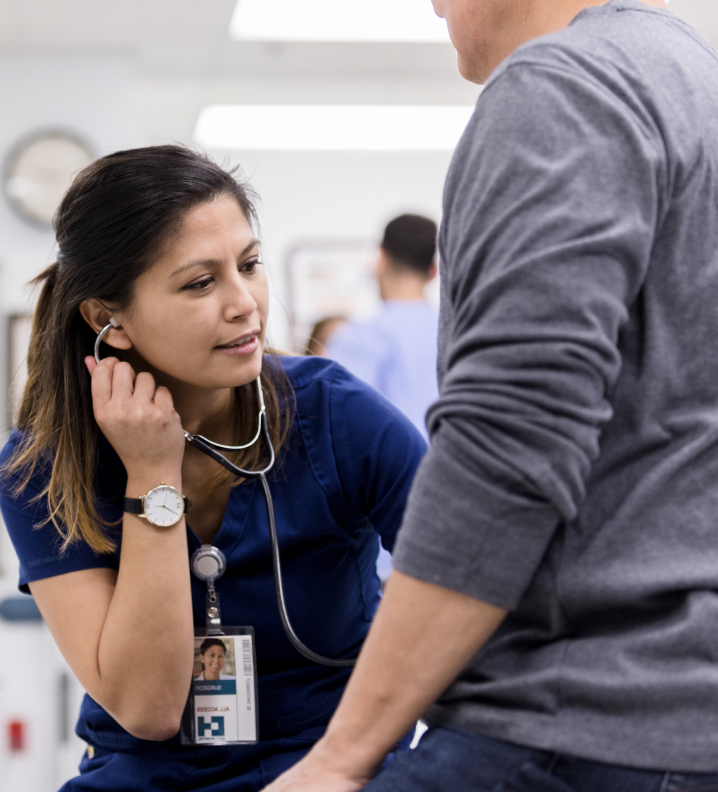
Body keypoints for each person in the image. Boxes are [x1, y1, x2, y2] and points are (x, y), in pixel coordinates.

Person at [264, 1, 718, 791]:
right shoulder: (688, 74)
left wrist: (341, 757)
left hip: (566, 717)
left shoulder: (559, 89)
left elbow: (507, 447)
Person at [0, 145, 427, 791]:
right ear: (107, 318)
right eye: (200, 282)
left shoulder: (336, 416)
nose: (245, 303)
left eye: (249, 265)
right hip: (146, 775)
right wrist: (152, 478)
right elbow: (148, 710)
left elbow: (474, 584)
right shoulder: (44, 470)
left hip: (335, 770)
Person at [325, 215, 439, 438]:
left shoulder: (358, 338)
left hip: (396, 470)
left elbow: (344, 424)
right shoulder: (460, 333)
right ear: (433, 271)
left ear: (381, 261)